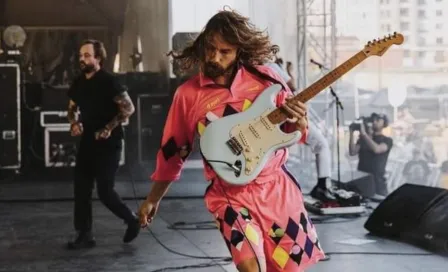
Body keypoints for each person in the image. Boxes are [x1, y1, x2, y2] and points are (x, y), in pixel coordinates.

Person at [138, 9, 325, 272]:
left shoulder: (268, 79)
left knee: (287, 268)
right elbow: (173, 151)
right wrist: (153, 198)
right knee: (250, 267)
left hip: (277, 190)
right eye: (210, 49)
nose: (214, 57)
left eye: (224, 51)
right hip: (230, 195)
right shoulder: (188, 95)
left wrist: (301, 121)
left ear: (239, 51)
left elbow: (293, 131)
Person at [66, 39, 140, 249]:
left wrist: (109, 127)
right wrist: (74, 123)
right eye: (81, 56)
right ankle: (84, 234)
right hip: (88, 142)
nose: (83, 59)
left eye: (87, 55)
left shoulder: (109, 82)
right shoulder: (79, 82)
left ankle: (131, 219)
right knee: (81, 189)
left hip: (109, 144)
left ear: (98, 58)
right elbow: (71, 107)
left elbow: (128, 108)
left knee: (105, 191)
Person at [349, 113, 393, 196]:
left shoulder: (387, 140)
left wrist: (364, 134)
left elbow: (377, 149)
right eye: (373, 120)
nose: (374, 122)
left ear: (384, 123)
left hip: (377, 182)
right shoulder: (363, 139)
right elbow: (352, 152)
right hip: (362, 179)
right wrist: (351, 132)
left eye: (378, 120)